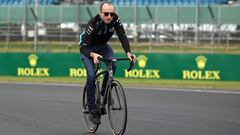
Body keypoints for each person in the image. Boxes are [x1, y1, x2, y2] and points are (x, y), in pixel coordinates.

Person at [79, 1, 136, 124]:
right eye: (106, 14)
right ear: (100, 14)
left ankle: (104, 92)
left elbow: (122, 36)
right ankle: (92, 108)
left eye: (111, 13)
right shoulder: (93, 23)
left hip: (103, 47)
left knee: (113, 63)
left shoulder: (115, 20)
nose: (109, 16)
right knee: (92, 75)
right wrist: (93, 55)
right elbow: (83, 48)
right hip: (88, 50)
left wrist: (128, 53)